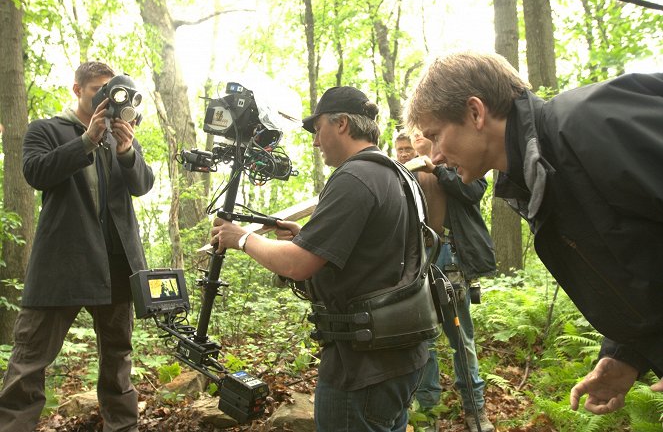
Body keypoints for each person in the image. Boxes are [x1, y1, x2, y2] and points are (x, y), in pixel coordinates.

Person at [404, 51, 663, 415]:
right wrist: (625, 354)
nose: (436, 155)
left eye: (435, 135)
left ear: (476, 113)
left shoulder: (585, 124)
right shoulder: (534, 180)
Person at [211, 86, 429, 432]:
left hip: (360, 369)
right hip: (400, 358)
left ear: (341, 123)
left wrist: (242, 238)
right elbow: (377, 256)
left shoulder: (355, 177)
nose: (315, 141)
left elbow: (296, 265)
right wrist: (308, 240)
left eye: (318, 130)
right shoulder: (397, 175)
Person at [0, 61, 154, 431]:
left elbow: (143, 184)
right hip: (61, 265)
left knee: (118, 362)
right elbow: (36, 173)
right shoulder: (46, 129)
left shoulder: (121, 137)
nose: (106, 99)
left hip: (116, 267)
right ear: (77, 90)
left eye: (112, 91)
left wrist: (127, 148)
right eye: (98, 90)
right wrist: (86, 139)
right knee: (29, 363)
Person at [397, 131, 496, 432]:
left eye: (410, 145)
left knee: (460, 336)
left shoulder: (452, 165)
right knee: (423, 339)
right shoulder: (401, 176)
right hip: (417, 260)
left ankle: (475, 409)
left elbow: (474, 191)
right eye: (400, 148)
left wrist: (436, 169)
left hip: (450, 256)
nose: (405, 152)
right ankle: (428, 414)